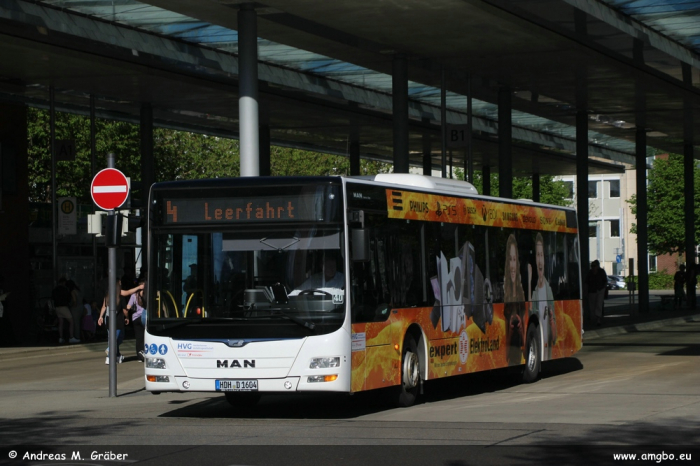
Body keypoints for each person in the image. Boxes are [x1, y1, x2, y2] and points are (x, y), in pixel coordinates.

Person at [97, 280, 143, 364]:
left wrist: (100, 317)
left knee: (111, 338)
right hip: (117, 321)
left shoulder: (107, 295)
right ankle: (109, 354)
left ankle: (117, 355)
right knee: (118, 338)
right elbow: (128, 294)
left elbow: (103, 307)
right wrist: (127, 317)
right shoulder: (120, 297)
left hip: (108, 319)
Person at [528, 233, 557, 360]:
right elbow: (528, 312)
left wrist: (552, 321)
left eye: (541, 255)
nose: (539, 259)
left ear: (544, 259)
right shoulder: (533, 291)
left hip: (548, 354)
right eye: (537, 255)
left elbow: (554, 338)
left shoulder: (549, 291)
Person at [503, 233, 526, 366]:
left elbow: (525, 351)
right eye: (510, 259)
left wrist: (521, 329)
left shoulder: (522, 294)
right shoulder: (503, 293)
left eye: (515, 259)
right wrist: (511, 331)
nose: (512, 265)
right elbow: (504, 355)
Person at [52, 276, 79, 344]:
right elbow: (68, 298)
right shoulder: (65, 289)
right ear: (64, 282)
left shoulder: (55, 289)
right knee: (71, 322)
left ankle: (61, 338)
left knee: (61, 322)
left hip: (57, 307)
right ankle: (71, 337)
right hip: (64, 307)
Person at [127, 279, 146, 362]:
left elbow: (128, 307)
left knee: (139, 338)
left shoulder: (134, 295)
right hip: (144, 317)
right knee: (146, 337)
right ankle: (145, 353)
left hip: (135, 318)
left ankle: (139, 356)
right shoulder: (146, 294)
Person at [586, 260, 607, 326]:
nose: (593, 267)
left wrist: (603, 288)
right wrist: (585, 291)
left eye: (594, 266)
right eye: (592, 266)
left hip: (600, 290)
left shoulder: (601, 272)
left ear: (597, 266)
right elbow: (586, 282)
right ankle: (593, 318)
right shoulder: (590, 273)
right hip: (592, 291)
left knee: (599, 304)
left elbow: (605, 281)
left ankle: (598, 319)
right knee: (592, 305)